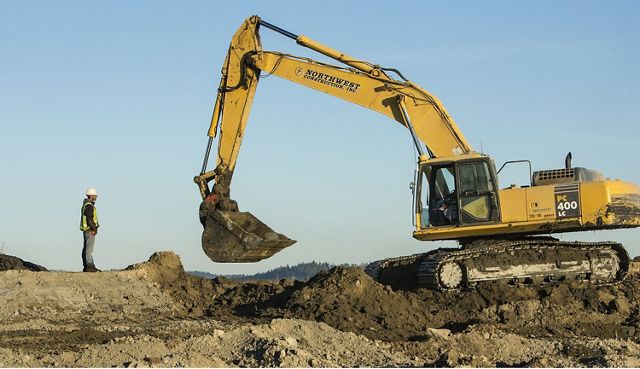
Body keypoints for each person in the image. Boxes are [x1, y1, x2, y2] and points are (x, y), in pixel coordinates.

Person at [80, 187, 100, 272]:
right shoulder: (89, 206)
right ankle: (90, 267)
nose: (96, 196)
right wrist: (94, 228)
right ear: (91, 195)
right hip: (89, 230)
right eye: (95, 195)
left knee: (86, 248)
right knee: (89, 249)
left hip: (87, 230)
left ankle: (87, 266)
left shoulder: (86, 205)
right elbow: (89, 219)